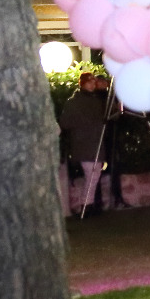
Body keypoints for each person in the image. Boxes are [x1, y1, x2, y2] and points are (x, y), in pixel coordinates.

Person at [59, 71, 115, 213]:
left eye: (93, 82)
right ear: (83, 83)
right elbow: (65, 122)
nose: (92, 85)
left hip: (94, 141)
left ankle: (88, 204)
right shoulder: (74, 102)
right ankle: (86, 204)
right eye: (89, 82)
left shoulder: (95, 101)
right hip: (84, 142)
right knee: (92, 174)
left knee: (94, 174)